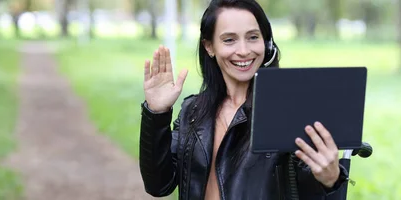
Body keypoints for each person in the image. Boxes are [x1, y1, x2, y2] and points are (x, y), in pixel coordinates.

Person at [139, 0, 349, 199]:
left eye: (253, 37)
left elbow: (309, 189)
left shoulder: (289, 111)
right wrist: (156, 113)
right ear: (209, 47)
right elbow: (159, 185)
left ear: (266, 43)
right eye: (229, 39)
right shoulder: (192, 111)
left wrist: (330, 179)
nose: (243, 51)